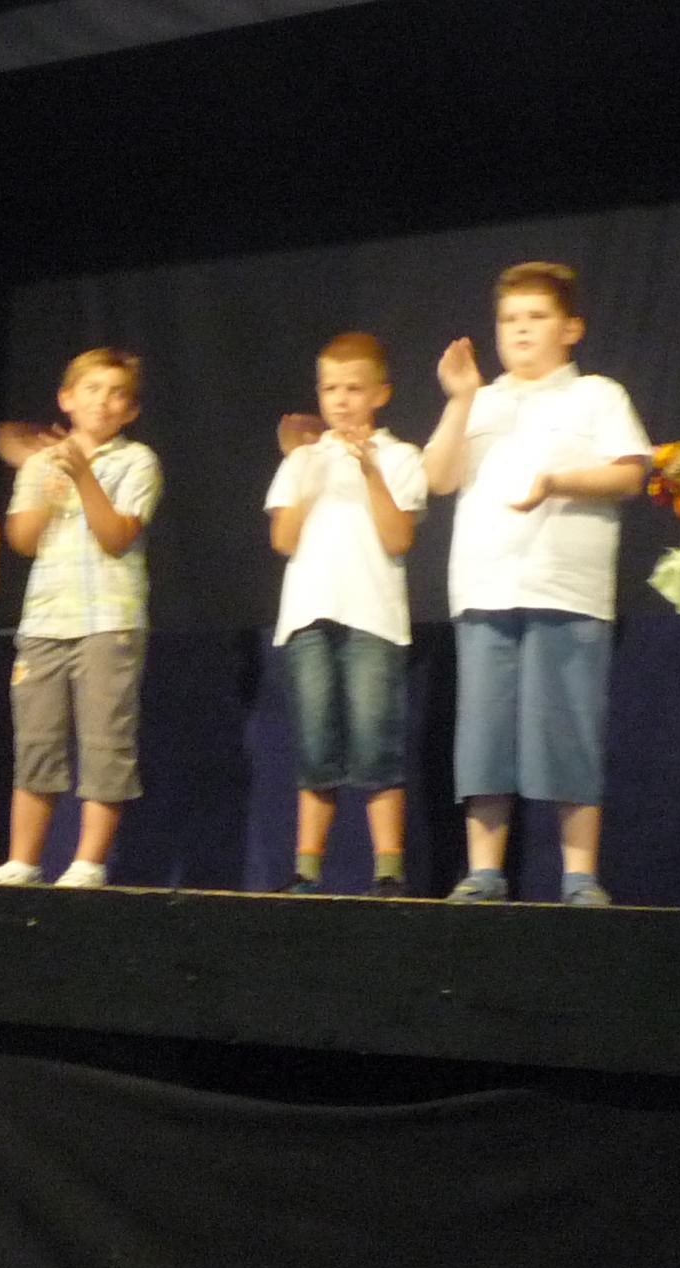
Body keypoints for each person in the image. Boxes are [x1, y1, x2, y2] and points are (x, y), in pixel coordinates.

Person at [424, 261, 651, 906]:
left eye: (536, 317)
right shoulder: (481, 401)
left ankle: (579, 876)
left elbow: (631, 474)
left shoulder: (597, 396)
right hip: (484, 589)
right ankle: (484, 872)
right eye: (509, 320)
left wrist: (557, 481)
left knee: (568, 729)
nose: (520, 330)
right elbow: (438, 479)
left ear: (571, 328)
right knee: (484, 732)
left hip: (566, 589)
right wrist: (460, 399)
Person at [0, 347, 162, 889]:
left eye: (117, 394)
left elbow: (116, 537)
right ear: (66, 399)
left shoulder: (138, 461)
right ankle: (24, 859)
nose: (103, 401)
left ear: (131, 410)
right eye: (92, 389)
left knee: (106, 741)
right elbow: (22, 540)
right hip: (44, 621)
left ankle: (88, 862)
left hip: (109, 619)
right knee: (37, 741)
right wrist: (47, 484)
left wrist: (84, 476)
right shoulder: (41, 463)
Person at [267, 332, 427, 896]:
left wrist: (370, 470)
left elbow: (398, 537)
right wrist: (306, 472)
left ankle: (388, 870)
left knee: (375, 744)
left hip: (372, 617)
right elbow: (284, 539)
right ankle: (306, 870)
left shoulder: (401, 456)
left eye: (354, 388)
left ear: (380, 394)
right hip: (308, 616)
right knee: (316, 746)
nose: (340, 399)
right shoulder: (303, 459)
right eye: (330, 388)